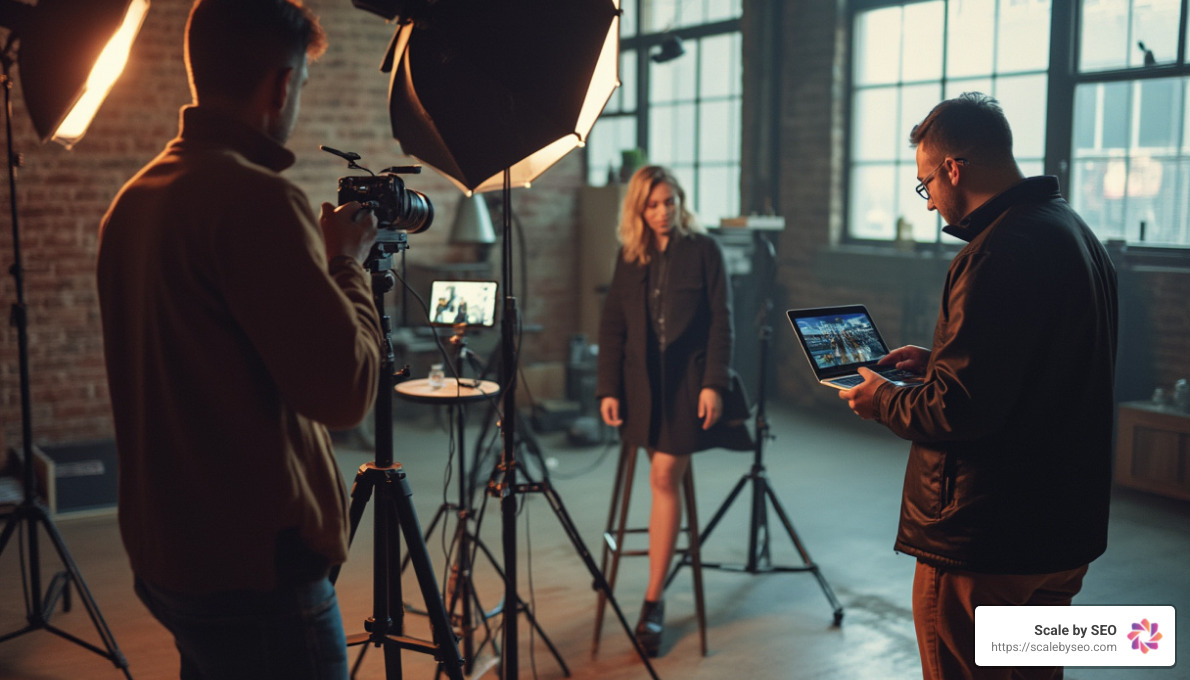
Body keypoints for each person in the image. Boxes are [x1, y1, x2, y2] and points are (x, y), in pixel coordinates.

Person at [96, 2, 382, 678]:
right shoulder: (256, 199)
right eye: (302, 88)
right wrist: (347, 262)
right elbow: (346, 392)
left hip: (169, 553)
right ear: (282, 85)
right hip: (258, 569)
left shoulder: (134, 200)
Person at [839, 93, 1118, 680]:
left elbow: (958, 409)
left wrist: (881, 397)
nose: (930, 200)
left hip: (985, 541)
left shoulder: (995, 253)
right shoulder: (1075, 234)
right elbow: (1039, 365)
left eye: (925, 184)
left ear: (952, 168)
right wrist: (940, 356)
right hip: (1060, 532)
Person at [596, 165, 750, 657]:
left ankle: (652, 600)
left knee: (664, 476)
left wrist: (714, 385)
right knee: (658, 478)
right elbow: (613, 327)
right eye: (654, 204)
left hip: (689, 383)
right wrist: (608, 388)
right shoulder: (630, 255)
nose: (664, 212)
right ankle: (654, 583)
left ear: (682, 202)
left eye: (671, 202)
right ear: (639, 209)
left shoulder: (705, 250)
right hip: (642, 386)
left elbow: (723, 323)